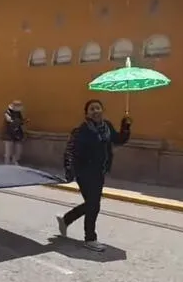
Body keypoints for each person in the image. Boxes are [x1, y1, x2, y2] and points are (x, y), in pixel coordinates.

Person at [56, 99, 132, 252]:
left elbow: (118, 140)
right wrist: (72, 170)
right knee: (94, 205)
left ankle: (67, 219)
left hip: (99, 171)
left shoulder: (107, 127)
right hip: (84, 172)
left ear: (102, 110)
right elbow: (74, 152)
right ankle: (90, 239)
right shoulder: (82, 130)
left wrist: (126, 126)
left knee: (91, 204)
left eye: (98, 108)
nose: (96, 111)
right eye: (92, 109)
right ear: (87, 113)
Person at [2, 100, 26, 165]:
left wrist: (22, 122)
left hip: (18, 133)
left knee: (18, 150)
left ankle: (15, 161)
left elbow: (20, 122)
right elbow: (9, 120)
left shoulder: (19, 113)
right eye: (18, 106)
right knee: (8, 151)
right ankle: (7, 163)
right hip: (9, 134)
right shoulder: (8, 112)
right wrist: (18, 122)